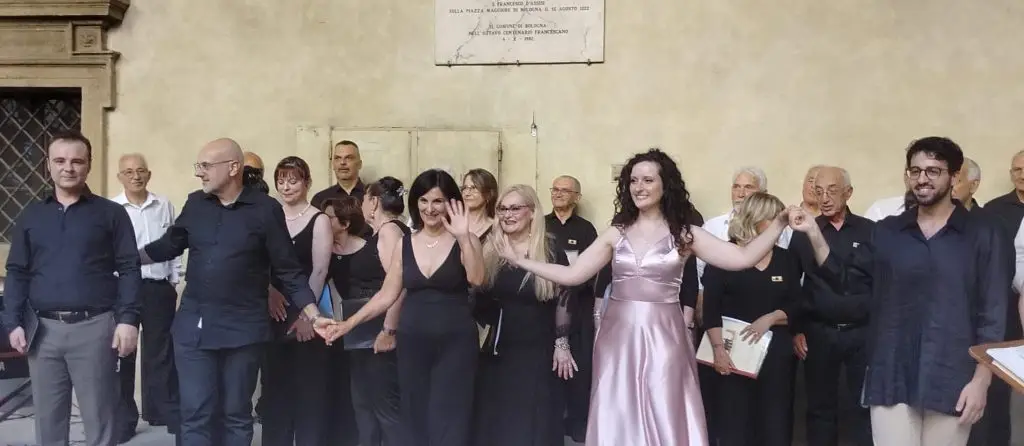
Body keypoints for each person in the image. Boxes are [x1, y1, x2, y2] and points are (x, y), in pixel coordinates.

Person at [492, 148, 792, 446]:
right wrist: (520, 261)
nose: (639, 187)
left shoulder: (685, 233)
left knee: (664, 407)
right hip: (617, 336)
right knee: (618, 409)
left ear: (665, 185)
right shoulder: (616, 232)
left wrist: (779, 223)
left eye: (648, 180)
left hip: (665, 334)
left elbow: (741, 258)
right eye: (633, 180)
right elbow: (574, 274)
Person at [788, 137, 1011, 446]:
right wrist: (813, 232)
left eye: (933, 171)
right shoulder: (888, 231)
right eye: (915, 171)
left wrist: (981, 381)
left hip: (952, 376)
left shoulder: (984, 233)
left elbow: (993, 314)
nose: (922, 179)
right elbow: (843, 277)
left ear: (954, 176)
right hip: (890, 374)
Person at [139, 138, 327, 446]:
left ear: (233, 168)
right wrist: (125, 257)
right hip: (195, 328)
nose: (199, 172)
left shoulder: (266, 209)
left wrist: (313, 315)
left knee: (236, 414)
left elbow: (288, 270)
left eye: (205, 166)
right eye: (198, 165)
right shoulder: (196, 203)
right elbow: (169, 245)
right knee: (195, 413)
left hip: (243, 329)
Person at [316, 169, 485, 446]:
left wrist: (464, 237)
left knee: (450, 415)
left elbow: (476, 278)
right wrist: (348, 324)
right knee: (414, 414)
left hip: (455, 341)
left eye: (438, 201)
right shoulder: (406, 243)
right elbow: (387, 294)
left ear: (451, 204)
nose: (430, 208)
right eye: (424, 201)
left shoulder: (466, 240)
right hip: (413, 339)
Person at [3, 130, 142, 446]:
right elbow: (17, 271)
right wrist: (13, 322)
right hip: (42, 332)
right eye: (60, 160)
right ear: (48, 165)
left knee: (101, 420)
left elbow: (130, 268)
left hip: (95, 329)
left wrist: (128, 320)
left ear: (89, 165)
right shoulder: (32, 216)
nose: (68, 168)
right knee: (48, 422)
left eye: (77, 161)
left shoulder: (111, 214)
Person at [473, 184, 578, 446]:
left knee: (534, 418)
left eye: (515, 208)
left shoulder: (550, 249)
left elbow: (564, 298)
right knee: (498, 418)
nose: (507, 215)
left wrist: (562, 343)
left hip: (537, 347)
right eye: (502, 209)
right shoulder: (489, 248)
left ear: (532, 212)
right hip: (498, 348)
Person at [702, 192, 801, 446]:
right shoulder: (724, 255)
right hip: (733, 356)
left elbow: (798, 304)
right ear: (756, 219)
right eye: (775, 220)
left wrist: (772, 318)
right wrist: (718, 350)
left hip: (776, 357)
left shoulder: (787, 259)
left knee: (775, 426)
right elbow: (711, 308)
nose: (781, 226)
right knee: (734, 427)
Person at [328, 178, 410, 446]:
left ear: (374, 202)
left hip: (379, 332)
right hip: (363, 331)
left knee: (385, 408)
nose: (362, 204)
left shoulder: (390, 232)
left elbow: (398, 286)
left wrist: (389, 330)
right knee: (364, 406)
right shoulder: (380, 233)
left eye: (364, 199)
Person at [260, 156, 334, 446]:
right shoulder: (269, 215)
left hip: (307, 308)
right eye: (281, 181)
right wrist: (268, 290)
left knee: (308, 390)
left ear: (307, 183)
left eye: (293, 181)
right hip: (272, 310)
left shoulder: (319, 219)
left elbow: (319, 270)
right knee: (274, 389)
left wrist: (307, 315)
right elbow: (256, 262)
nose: (286, 187)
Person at [111, 153, 183, 442]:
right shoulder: (112, 209)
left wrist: (174, 280)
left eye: (141, 171)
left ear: (149, 174)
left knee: (161, 353)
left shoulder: (164, 205)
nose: (136, 176)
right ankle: (124, 420)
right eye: (129, 172)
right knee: (123, 352)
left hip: (158, 288)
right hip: (124, 289)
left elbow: (175, 246)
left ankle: (161, 411)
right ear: (120, 177)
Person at [461, 168, 498, 238]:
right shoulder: (453, 223)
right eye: (465, 188)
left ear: (489, 194)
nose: (467, 193)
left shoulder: (496, 228)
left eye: (474, 188)